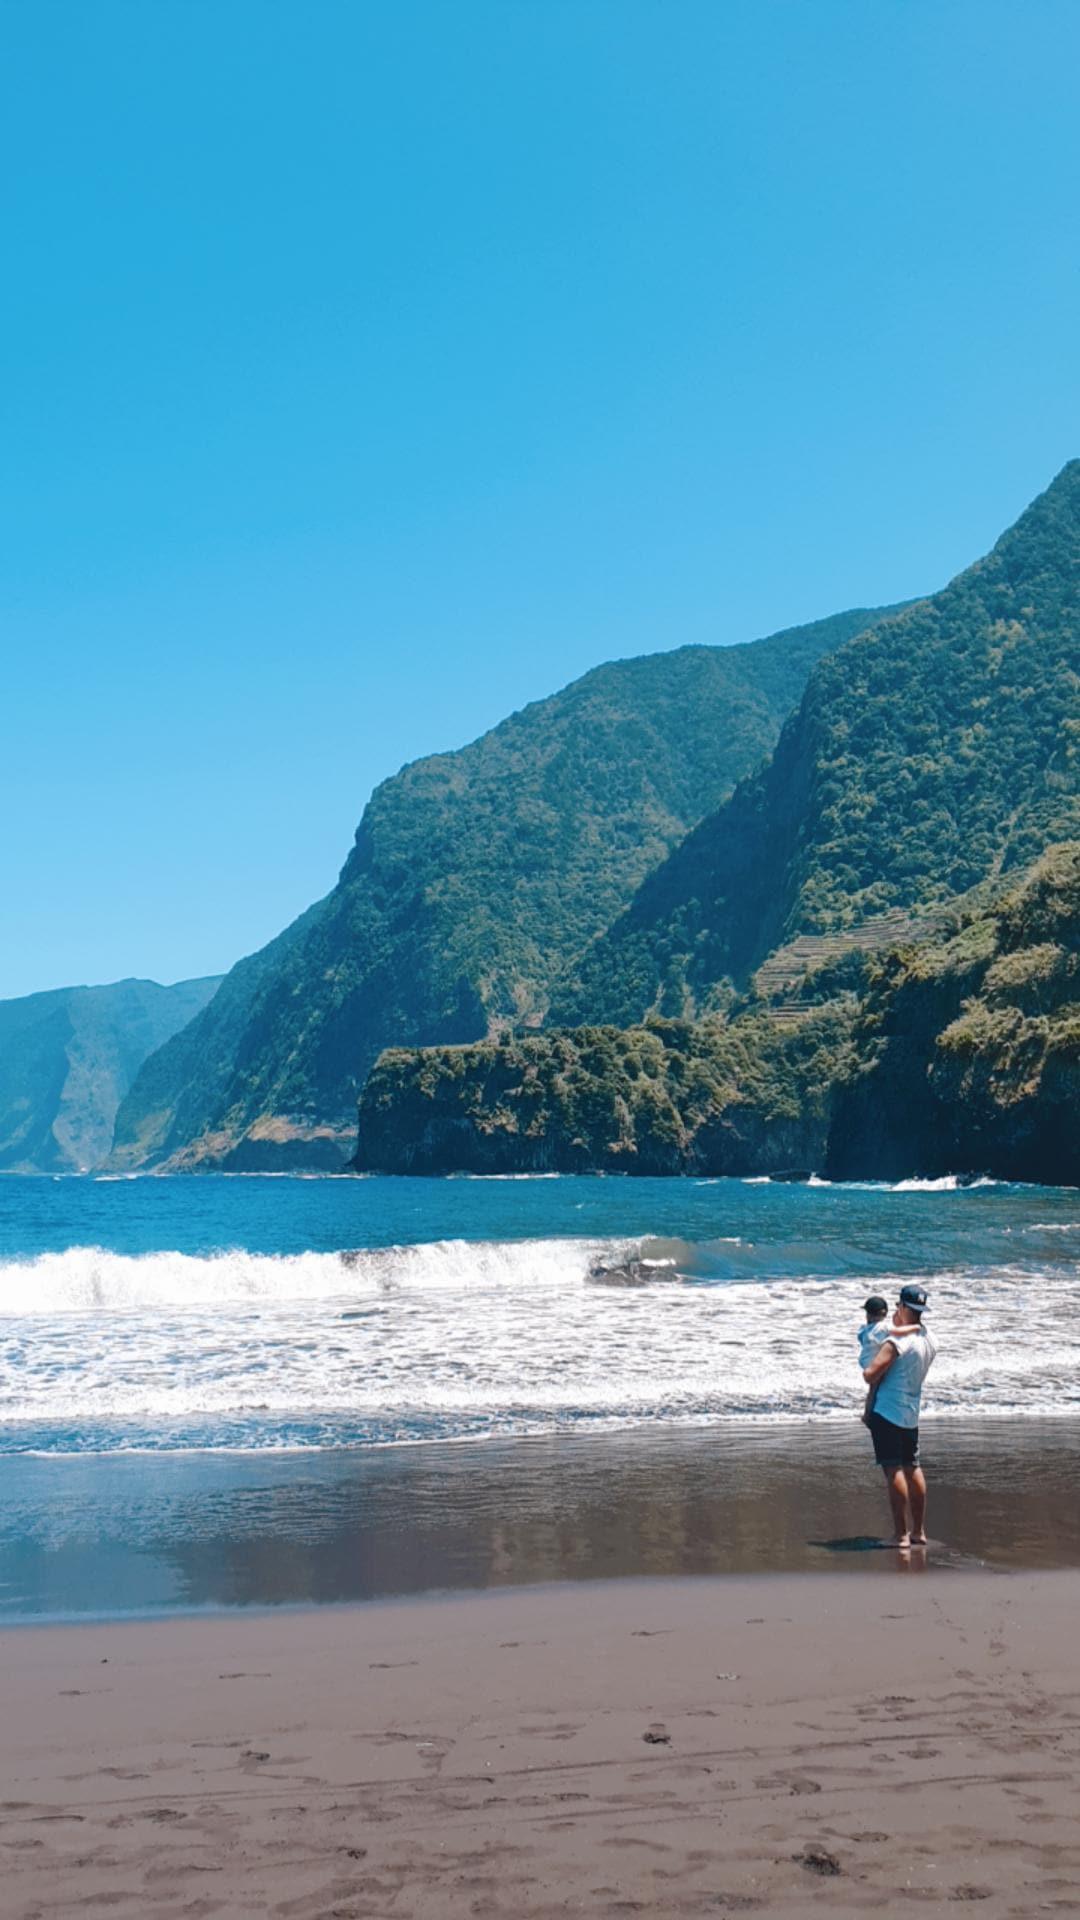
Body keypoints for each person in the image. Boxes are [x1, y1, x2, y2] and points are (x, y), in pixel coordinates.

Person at [861, 1284, 937, 1549]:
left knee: (893, 1470)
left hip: (888, 1412)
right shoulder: (928, 1338)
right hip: (911, 1413)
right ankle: (918, 1531)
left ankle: (901, 1535)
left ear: (904, 1307)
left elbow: (870, 1373)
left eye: (898, 1306)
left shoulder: (896, 1343)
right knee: (912, 1467)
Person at [858, 1293, 922, 1425]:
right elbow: (899, 1332)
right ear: (884, 1313)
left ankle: (867, 1414)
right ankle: (867, 1415)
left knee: (872, 1390)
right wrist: (916, 1327)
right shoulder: (884, 1327)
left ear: (868, 1314)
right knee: (874, 1390)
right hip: (874, 1362)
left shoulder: (864, 1329)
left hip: (866, 1361)